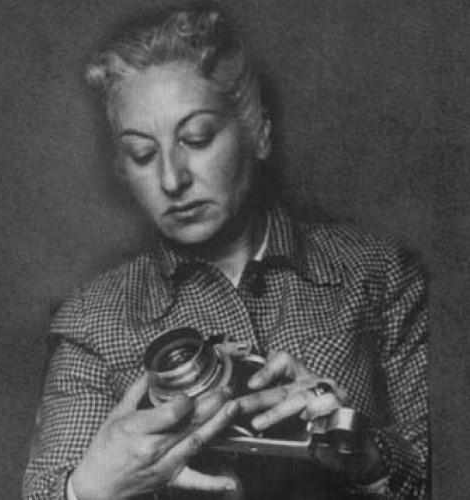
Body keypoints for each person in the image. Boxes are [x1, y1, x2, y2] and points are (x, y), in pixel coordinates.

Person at [23, 2, 429, 499]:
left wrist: (365, 455)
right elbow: (44, 489)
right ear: (122, 170)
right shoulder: (91, 320)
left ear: (258, 132)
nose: (173, 178)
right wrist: (89, 487)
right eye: (142, 154)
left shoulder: (378, 274)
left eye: (196, 137)